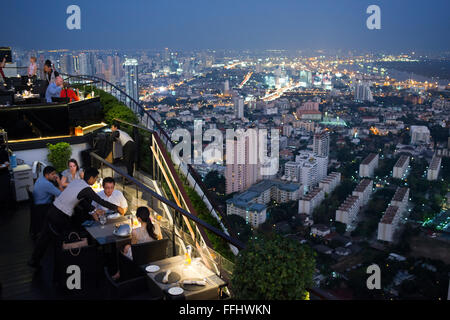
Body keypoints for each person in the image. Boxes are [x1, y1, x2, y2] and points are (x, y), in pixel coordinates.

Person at [28, 167, 126, 268]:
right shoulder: (87, 189)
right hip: (60, 216)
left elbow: (80, 200)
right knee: (61, 242)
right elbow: (101, 201)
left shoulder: (76, 182)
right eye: (96, 178)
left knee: (44, 237)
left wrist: (93, 210)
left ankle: (34, 260)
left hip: (52, 210)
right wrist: (117, 208)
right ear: (91, 178)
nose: (96, 180)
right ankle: (60, 269)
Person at [113, 207, 161, 280]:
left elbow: (134, 247)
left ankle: (119, 273)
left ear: (138, 219)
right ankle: (119, 272)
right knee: (127, 247)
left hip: (141, 257)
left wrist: (127, 247)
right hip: (154, 255)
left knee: (123, 250)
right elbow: (160, 240)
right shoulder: (157, 226)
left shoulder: (135, 231)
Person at [31, 166, 62, 237]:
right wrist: (59, 182)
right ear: (46, 175)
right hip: (43, 207)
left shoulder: (40, 179)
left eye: (55, 173)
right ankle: (57, 230)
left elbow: (52, 189)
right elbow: (61, 194)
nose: (55, 176)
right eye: (53, 174)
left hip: (37, 205)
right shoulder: (47, 184)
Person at [0, 136, 11, 213]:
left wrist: (2, 166)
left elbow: (7, 163)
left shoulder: (3, 152)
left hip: (4, 175)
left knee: (5, 193)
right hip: (4, 175)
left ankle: (6, 210)